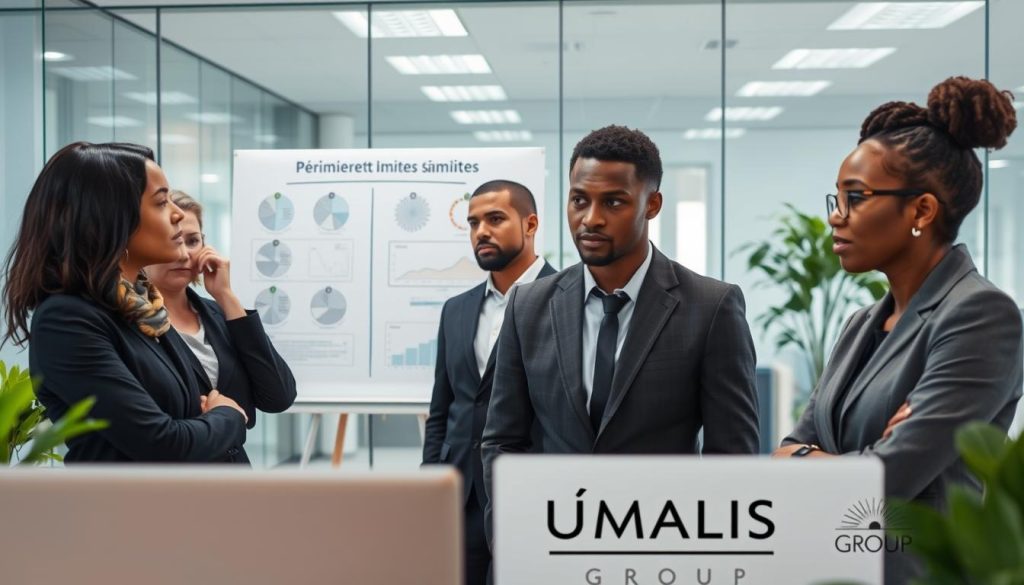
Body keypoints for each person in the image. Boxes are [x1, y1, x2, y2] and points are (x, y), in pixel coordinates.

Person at [775, 76, 1021, 584]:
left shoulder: (980, 315)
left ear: (921, 210)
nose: (836, 218)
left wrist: (816, 459)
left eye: (856, 197)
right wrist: (818, 456)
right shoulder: (861, 324)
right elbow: (788, 449)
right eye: (836, 198)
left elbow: (886, 479)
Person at [481, 125, 760, 527]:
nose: (591, 219)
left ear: (652, 204)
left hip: (663, 541)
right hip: (550, 540)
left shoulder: (711, 307)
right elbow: (503, 442)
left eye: (613, 202)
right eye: (579, 200)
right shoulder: (528, 306)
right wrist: (509, 537)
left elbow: (732, 459)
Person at [3, 142, 248, 462]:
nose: (177, 214)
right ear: (109, 217)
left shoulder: (145, 307)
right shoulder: (67, 320)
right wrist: (227, 415)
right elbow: (162, 442)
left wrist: (213, 417)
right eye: (161, 202)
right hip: (131, 497)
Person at [423, 180, 555, 585]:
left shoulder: (567, 301)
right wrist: (430, 480)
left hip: (532, 490)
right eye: (473, 222)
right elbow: (443, 407)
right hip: (460, 491)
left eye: (495, 219)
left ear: (530, 224)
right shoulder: (456, 310)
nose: (481, 231)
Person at [146, 191, 296, 465]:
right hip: (173, 476)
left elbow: (278, 396)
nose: (183, 253)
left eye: (193, 241)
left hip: (233, 474)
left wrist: (226, 297)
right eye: (171, 240)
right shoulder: (133, 321)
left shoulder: (219, 314)